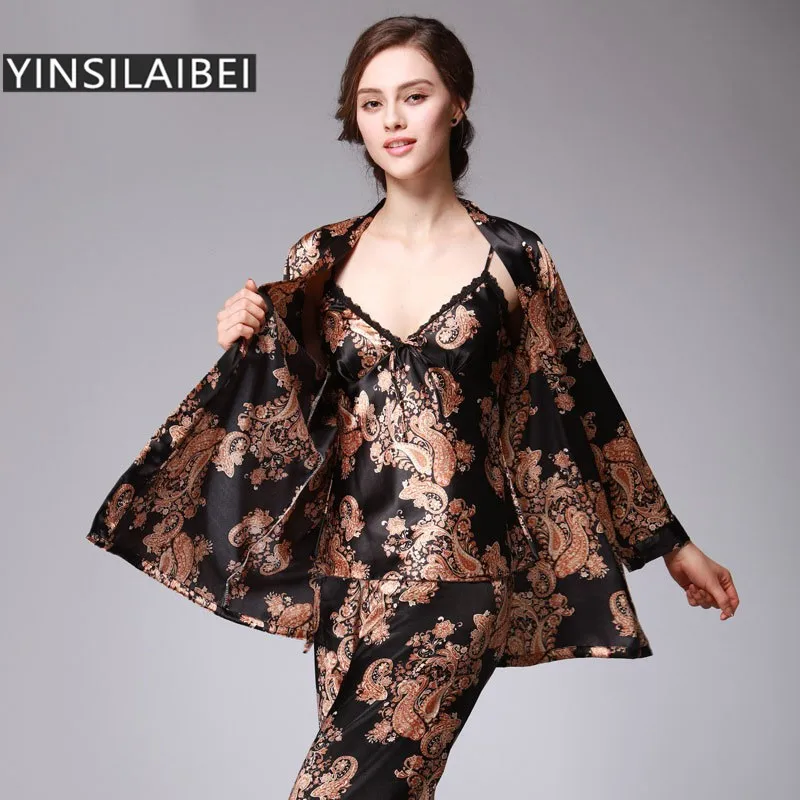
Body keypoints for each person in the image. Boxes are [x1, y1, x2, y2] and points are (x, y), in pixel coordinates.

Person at [90, 15, 739, 800]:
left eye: (414, 95)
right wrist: (248, 341)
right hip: (345, 580)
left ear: (456, 104)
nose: (393, 119)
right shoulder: (319, 256)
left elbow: (584, 401)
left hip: (459, 572)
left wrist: (671, 544)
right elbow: (289, 427)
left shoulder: (515, 259)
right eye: (372, 103)